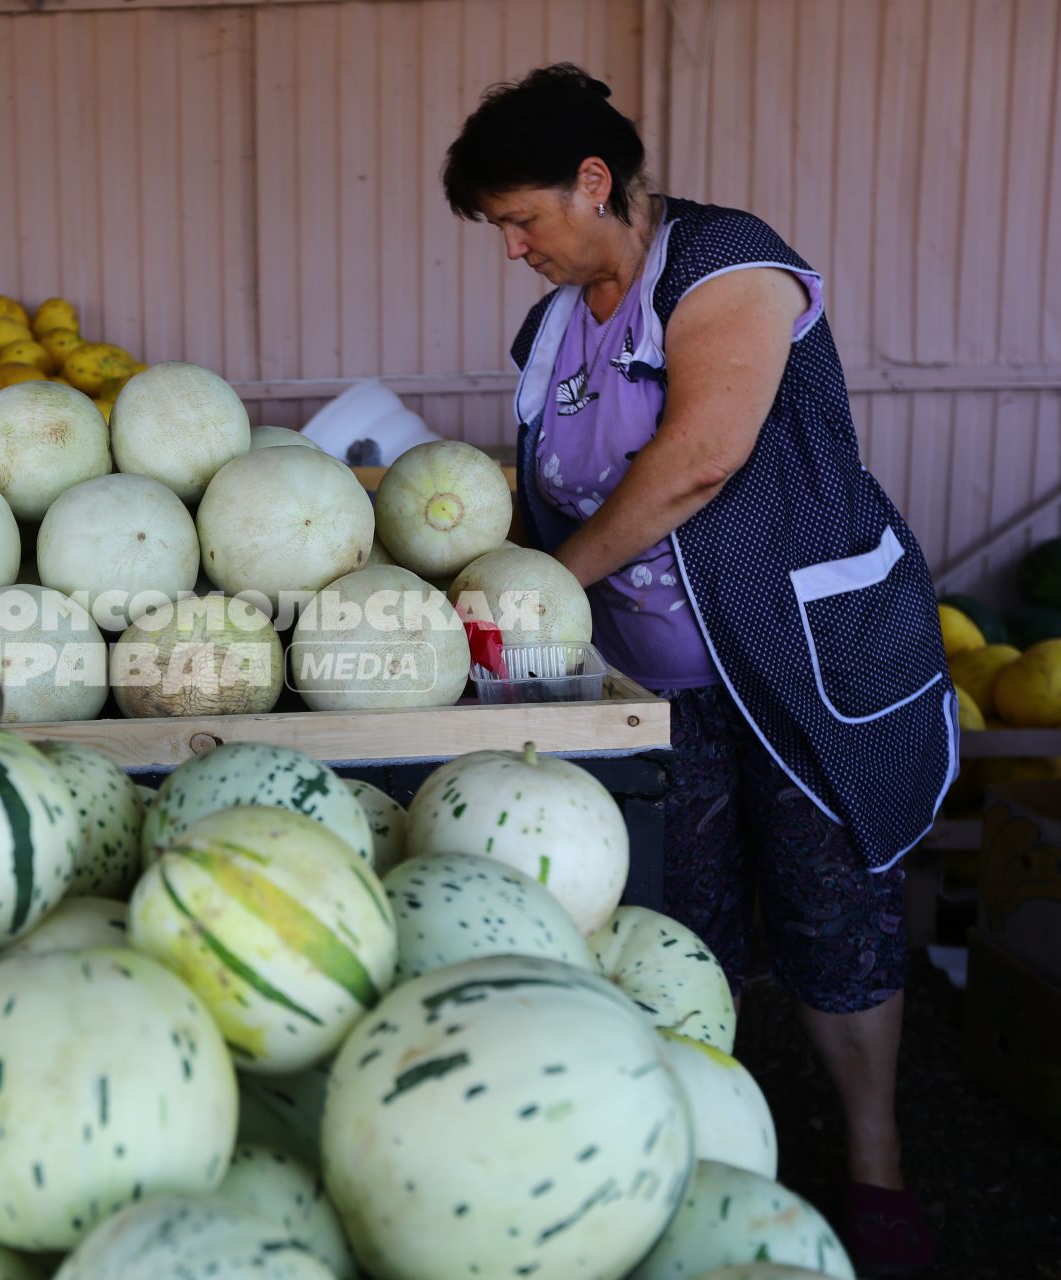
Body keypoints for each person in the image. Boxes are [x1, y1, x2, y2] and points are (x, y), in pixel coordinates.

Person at [441, 64, 953, 1277]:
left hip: (798, 661)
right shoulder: (551, 327)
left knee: (837, 914)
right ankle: (714, 1160)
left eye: (524, 218)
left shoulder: (728, 263)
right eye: (499, 229)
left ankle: (874, 1168)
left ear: (595, 179)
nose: (513, 248)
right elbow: (542, 490)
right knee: (684, 928)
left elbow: (699, 461)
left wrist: (550, 581)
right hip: (647, 689)